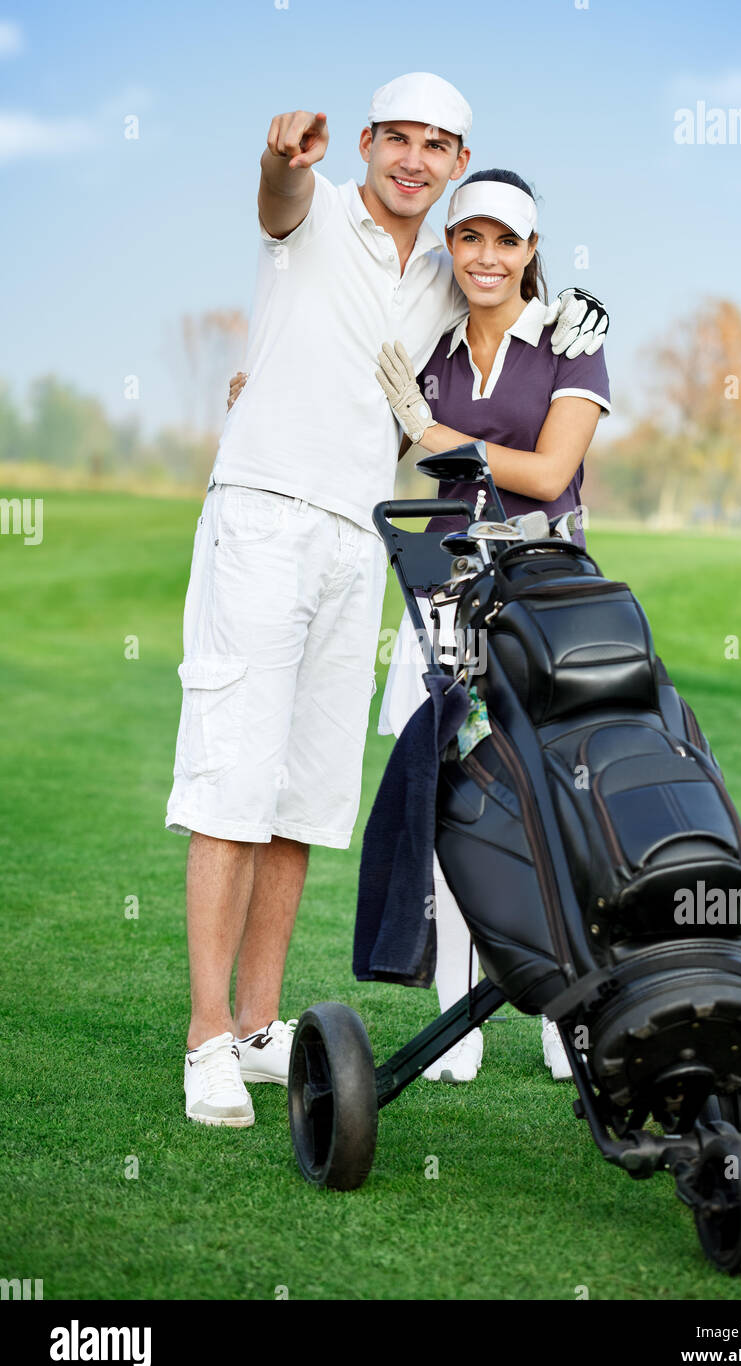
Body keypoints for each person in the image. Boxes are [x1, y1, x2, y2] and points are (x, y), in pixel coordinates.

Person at [171, 72, 610, 1128]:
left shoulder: (443, 275)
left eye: (436, 145)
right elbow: (277, 202)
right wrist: (284, 158)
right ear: (363, 142)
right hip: (266, 517)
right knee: (234, 781)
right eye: (397, 140)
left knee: (304, 796)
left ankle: (261, 1024)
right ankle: (203, 1039)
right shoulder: (313, 210)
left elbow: (514, 304)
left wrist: (577, 312)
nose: (413, 159)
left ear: (458, 163)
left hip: (356, 540)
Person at [374, 169, 611, 1083]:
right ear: (453, 243)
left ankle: (569, 1014)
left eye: (505, 241)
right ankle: (456, 1021)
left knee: (551, 794)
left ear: (530, 251)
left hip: (541, 593)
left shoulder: (571, 342)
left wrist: (430, 436)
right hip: (440, 595)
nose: (486, 256)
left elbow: (551, 475)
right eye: (469, 237)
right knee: (444, 794)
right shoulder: (427, 342)